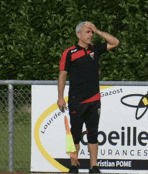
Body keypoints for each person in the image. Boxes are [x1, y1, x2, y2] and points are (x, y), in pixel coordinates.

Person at [57, 21, 119, 173]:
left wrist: (98, 31)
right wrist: (60, 97)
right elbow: (62, 75)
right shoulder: (69, 53)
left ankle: (94, 167)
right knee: (75, 134)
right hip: (76, 101)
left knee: (93, 133)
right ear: (79, 35)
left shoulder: (95, 50)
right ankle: (73, 166)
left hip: (94, 100)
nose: (90, 35)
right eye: (88, 32)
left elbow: (115, 42)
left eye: (91, 33)